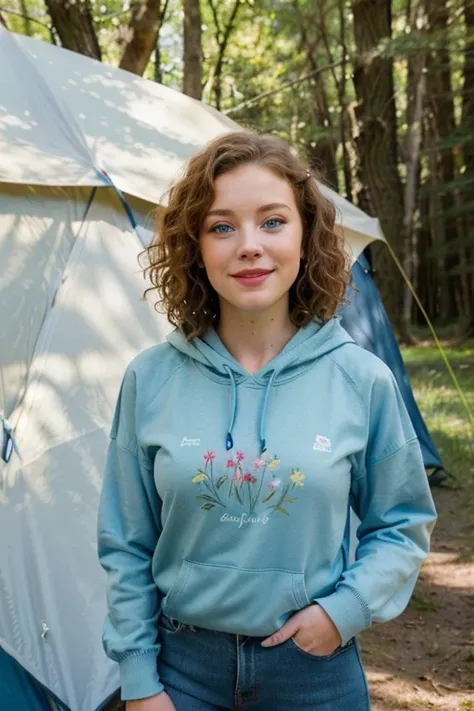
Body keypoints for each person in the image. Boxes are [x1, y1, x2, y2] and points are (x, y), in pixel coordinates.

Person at [97, 131, 437, 711]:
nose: (249, 245)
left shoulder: (362, 379)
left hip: (315, 672)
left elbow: (402, 524)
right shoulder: (149, 379)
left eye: (273, 221)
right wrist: (139, 679)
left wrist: (343, 612)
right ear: (195, 248)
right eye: (222, 226)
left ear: (306, 237)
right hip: (180, 672)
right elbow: (127, 543)